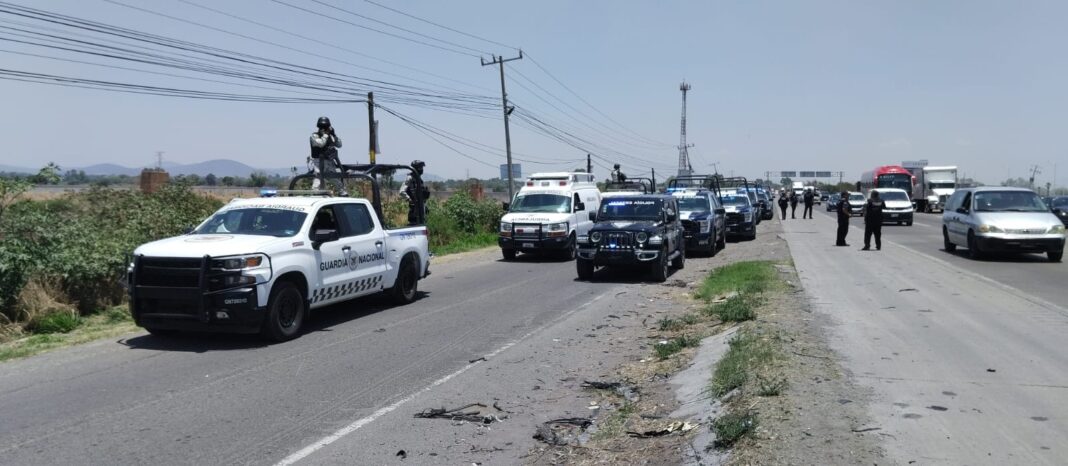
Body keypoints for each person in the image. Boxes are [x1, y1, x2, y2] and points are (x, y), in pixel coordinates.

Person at [309, 116, 346, 195]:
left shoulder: (330, 136)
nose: (324, 129)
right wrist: (325, 135)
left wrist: (334, 135)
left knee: (335, 179)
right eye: (322, 127)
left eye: (325, 127)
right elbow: (321, 144)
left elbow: (339, 145)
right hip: (319, 162)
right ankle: (315, 194)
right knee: (318, 179)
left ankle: (343, 193)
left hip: (329, 161)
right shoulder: (314, 136)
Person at [400, 160, 430, 225]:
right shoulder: (410, 178)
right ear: (415, 168)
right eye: (420, 167)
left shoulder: (418, 178)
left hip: (421, 205)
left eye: (422, 168)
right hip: (415, 208)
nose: (422, 169)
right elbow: (402, 191)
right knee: (414, 224)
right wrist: (409, 199)